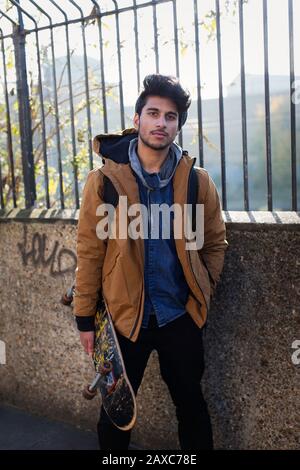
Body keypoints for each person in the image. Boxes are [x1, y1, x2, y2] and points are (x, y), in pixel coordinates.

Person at [74, 74, 228, 450]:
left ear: (178, 124)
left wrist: (203, 289)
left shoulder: (196, 181)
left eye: (171, 116)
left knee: (192, 406)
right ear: (137, 118)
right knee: (116, 415)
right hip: (125, 319)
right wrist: (84, 318)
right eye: (154, 113)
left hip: (180, 315)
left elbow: (215, 242)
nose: (162, 122)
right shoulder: (104, 181)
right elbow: (90, 251)